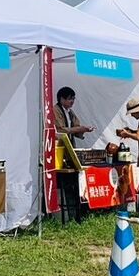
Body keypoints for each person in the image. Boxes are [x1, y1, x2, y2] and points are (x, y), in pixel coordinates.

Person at [53, 87, 93, 223]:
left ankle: (75, 214)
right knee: (65, 183)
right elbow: (60, 130)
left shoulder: (69, 112)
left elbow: (76, 126)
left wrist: (84, 130)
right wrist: (79, 129)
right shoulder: (55, 110)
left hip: (70, 148)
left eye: (73, 99)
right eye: (70, 99)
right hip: (59, 149)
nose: (72, 101)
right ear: (61, 99)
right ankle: (67, 215)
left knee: (74, 182)